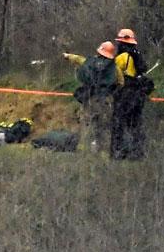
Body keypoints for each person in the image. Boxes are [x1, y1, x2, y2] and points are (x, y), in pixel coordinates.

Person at [64, 41, 121, 155]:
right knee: (105, 127)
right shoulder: (115, 67)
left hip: (90, 99)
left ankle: (84, 150)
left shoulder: (90, 62)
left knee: (87, 125)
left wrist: (67, 56)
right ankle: (104, 152)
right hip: (106, 100)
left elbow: (79, 61)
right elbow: (120, 82)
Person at [110, 28, 152, 160]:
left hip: (125, 94)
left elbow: (114, 75)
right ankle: (138, 153)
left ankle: (118, 153)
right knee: (135, 125)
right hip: (138, 95)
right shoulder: (137, 55)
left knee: (119, 124)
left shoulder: (122, 57)